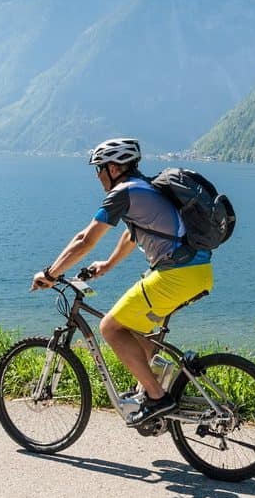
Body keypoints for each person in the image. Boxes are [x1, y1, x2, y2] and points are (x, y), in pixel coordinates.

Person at [31, 137, 213, 425]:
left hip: (177, 273)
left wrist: (51, 273)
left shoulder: (122, 193)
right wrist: (107, 265)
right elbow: (132, 235)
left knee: (110, 327)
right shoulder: (146, 188)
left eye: (99, 168)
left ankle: (157, 398)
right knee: (136, 328)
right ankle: (156, 379)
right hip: (194, 271)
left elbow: (84, 239)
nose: (97, 175)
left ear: (114, 168)